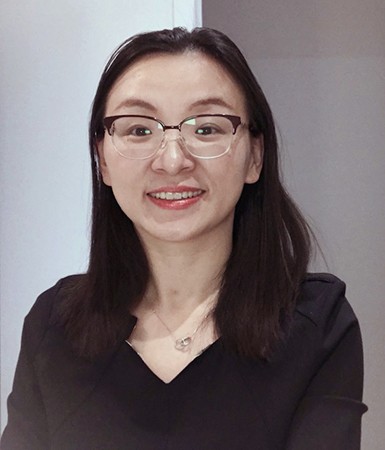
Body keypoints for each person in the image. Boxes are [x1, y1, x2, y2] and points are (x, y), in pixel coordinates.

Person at [1, 27, 367, 450]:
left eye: (207, 129)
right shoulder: (54, 325)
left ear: (255, 156)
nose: (173, 160)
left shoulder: (317, 325)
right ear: (102, 160)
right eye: (139, 130)